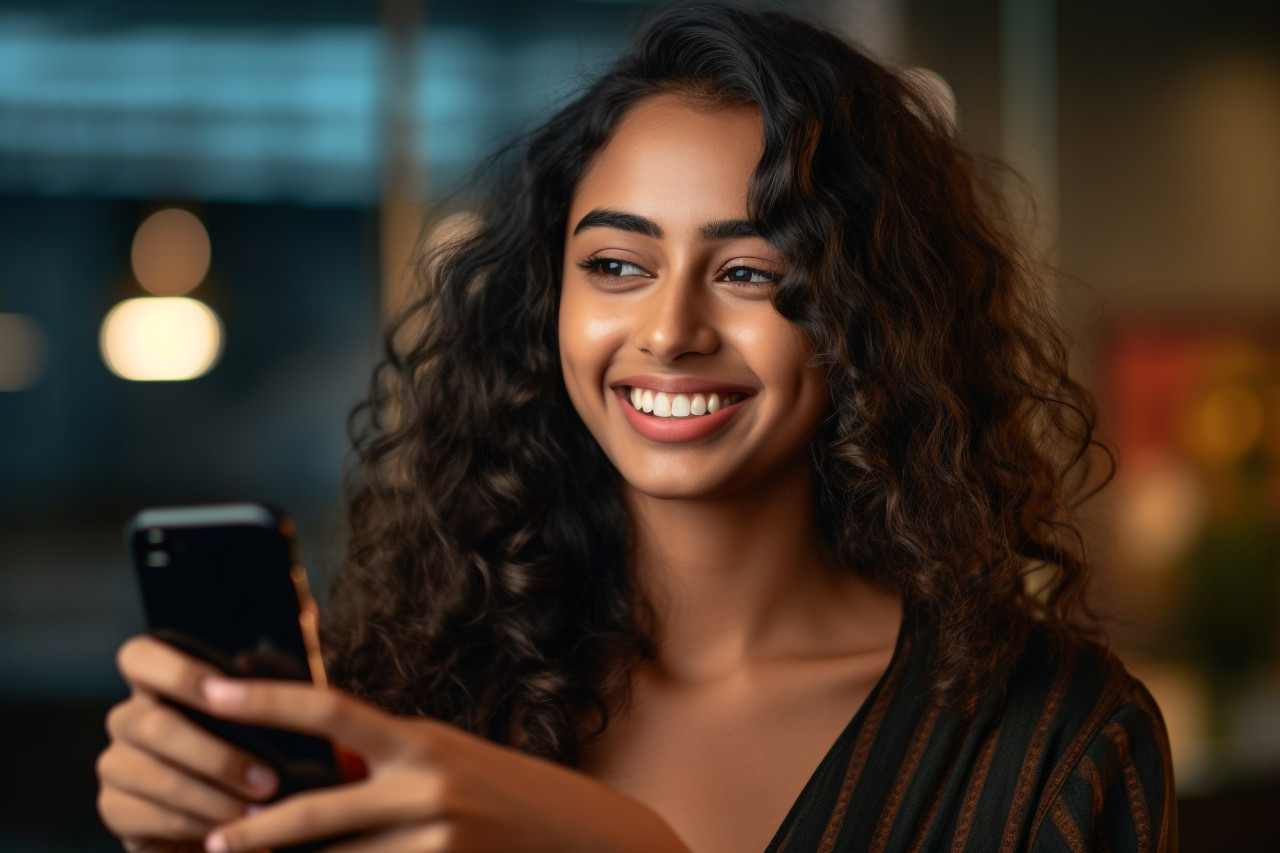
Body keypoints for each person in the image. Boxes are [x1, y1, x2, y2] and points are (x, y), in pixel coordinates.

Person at [95, 4, 1176, 852]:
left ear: (870, 320)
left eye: (750, 271)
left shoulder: (1054, 739)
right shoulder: (414, 693)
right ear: (545, 300)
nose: (667, 330)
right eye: (615, 265)